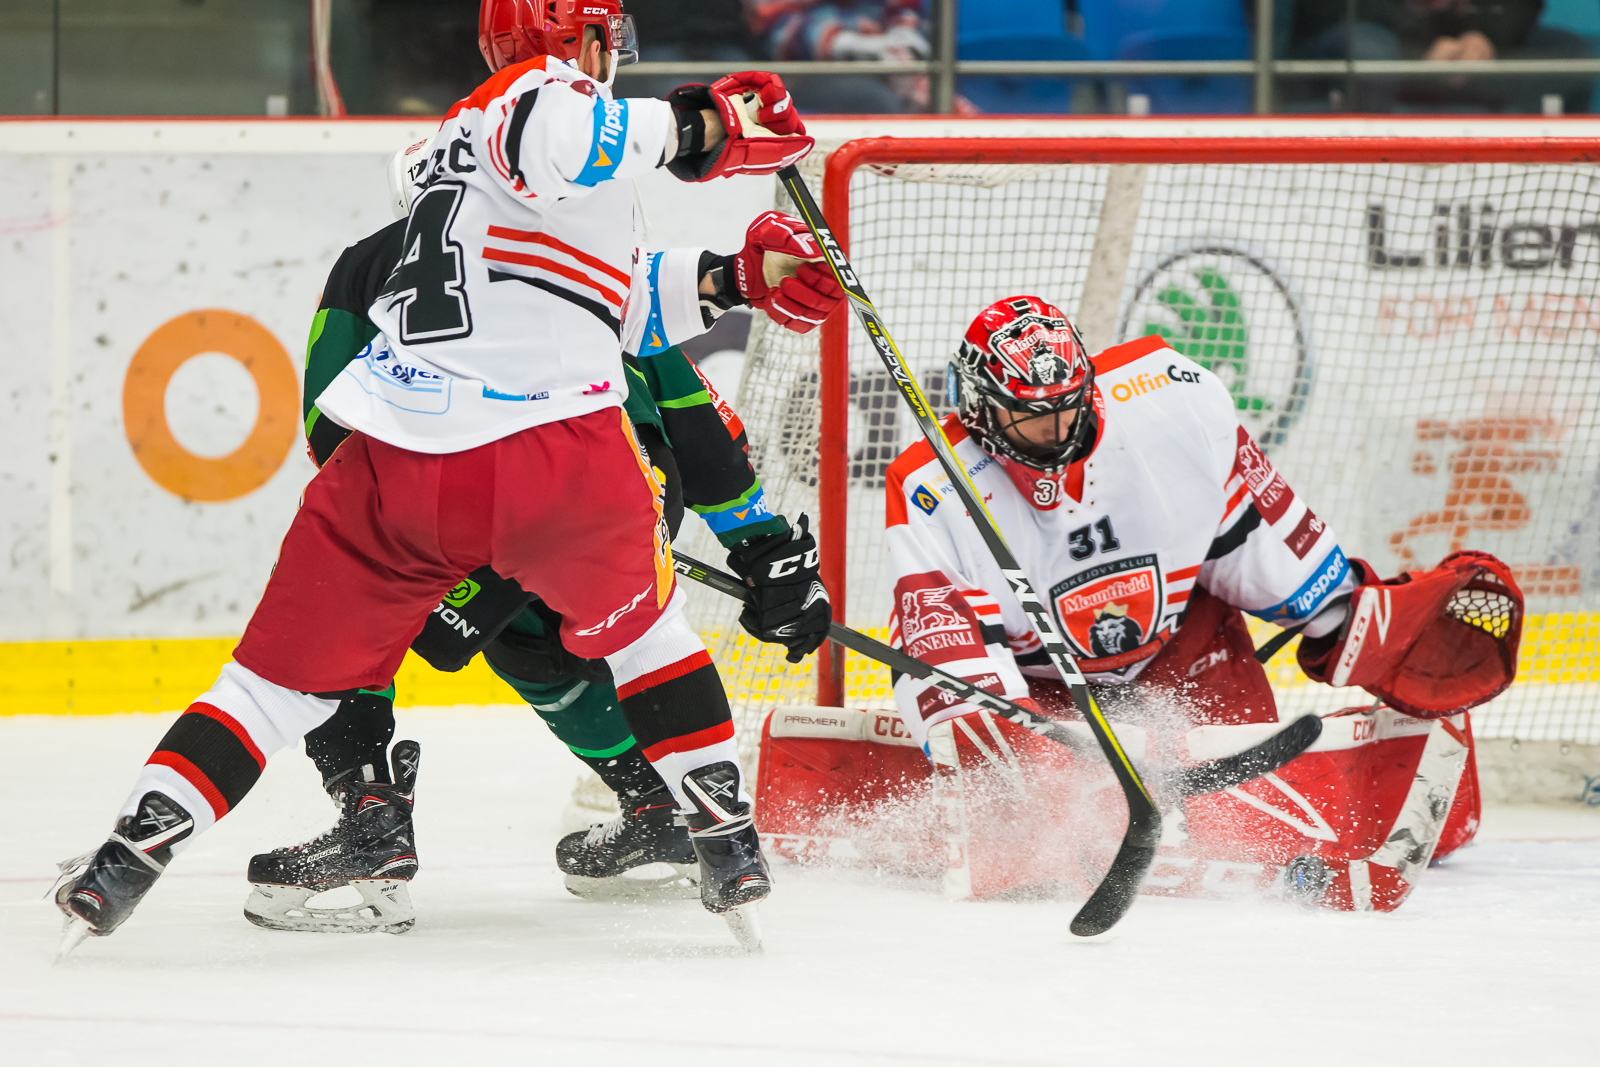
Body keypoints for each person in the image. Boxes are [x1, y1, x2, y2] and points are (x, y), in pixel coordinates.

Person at [52, 0, 842, 950]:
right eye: (603, 40)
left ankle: (127, 856)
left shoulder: (456, 168)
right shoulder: (540, 97)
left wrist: (733, 280)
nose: (610, 61)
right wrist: (705, 123)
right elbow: (559, 130)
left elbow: (608, 298)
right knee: (646, 638)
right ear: (578, 38)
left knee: (265, 687)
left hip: (399, 474)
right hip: (557, 458)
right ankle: (724, 835)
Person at [242, 157, 829, 931]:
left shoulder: (376, 264)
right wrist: (764, 549)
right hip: (617, 485)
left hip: (454, 496)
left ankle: (370, 816)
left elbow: (330, 423)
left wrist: (393, 515)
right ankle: (665, 803)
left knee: (351, 604)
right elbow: (690, 413)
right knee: (569, 638)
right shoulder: (586, 251)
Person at [881, 296, 1506, 860]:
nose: (1060, 434)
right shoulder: (933, 489)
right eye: (1035, 419)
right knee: (1017, 815)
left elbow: (1253, 534)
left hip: (1184, 659)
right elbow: (947, 656)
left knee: (1255, 832)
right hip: (1046, 697)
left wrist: (1350, 620)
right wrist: (1019, 754)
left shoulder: (1171, 399)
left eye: (1069, 409)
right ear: (981, 409)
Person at [1287, 0, 1594, 114]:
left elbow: (1521, 5)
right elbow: (1329, 9)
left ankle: (1537, 162)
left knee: (1572, 53)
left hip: (1466, 48)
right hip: (1382, 41)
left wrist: (1485, 35)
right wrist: (1418, 48)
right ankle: (1371, 158)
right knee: (1369, 52)